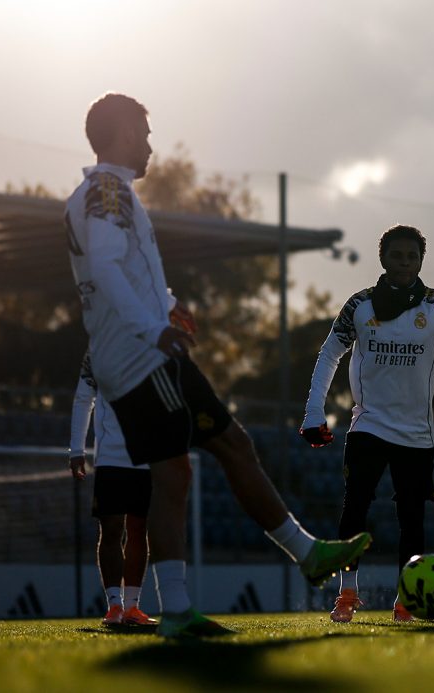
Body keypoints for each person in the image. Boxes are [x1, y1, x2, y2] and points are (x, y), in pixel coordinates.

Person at [65, 93, 370, 638]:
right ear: (126, 134)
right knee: (181, 468)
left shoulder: (97, 194)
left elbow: (118, 269)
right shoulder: (107, 190)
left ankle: (304, 555)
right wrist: (152, 326)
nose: (151, 145)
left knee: (224, 448)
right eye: (146, 132)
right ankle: (183, 609)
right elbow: (108, 267)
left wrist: (165, 301)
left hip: (142, 354)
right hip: (140, 359)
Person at [300, 224, 434, 623]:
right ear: (382, 258)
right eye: (397, 255)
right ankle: (347, 594)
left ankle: (406, 600)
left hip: (417, 435)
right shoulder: (359, 306)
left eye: (411, 256)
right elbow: (329, 353)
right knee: (355, 510)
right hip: (368, 426)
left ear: (421, 261)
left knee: (412, 519)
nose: (404, 262)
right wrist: (314, 411)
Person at [69, 351, 157, 628]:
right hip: (111, 458)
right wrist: (76, 449)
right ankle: (114, 605)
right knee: (111, 530)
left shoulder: (151, 343)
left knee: (139, 529)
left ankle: (133, 606)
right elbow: (83, 399)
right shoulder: (97, 350)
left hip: (145, 457)